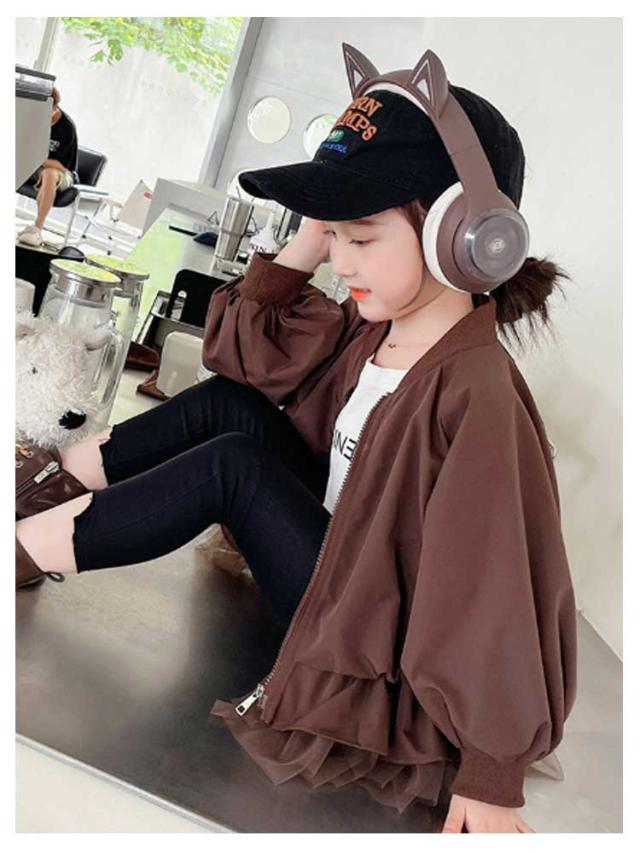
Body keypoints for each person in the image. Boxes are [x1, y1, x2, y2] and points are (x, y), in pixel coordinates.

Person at [15, 46, 578, 833]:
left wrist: (491, 772)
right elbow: (243, 353)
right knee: (231, 403)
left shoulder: (475, 392)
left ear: (463, 237)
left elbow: (496, 588)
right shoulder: (375, 330)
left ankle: (21, 548)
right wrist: (315, 233)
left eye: (361, 237)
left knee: (235, 466)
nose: (340, 259)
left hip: (371, 635)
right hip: (346, 564)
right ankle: (48, 480)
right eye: (333, 236)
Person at [17, 85, 79, 248]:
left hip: (61, 172)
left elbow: (62, 166)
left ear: (54, 107)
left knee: (49, 174)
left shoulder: (67, 128)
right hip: (35, 167)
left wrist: (36, 158)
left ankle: (37, 229)